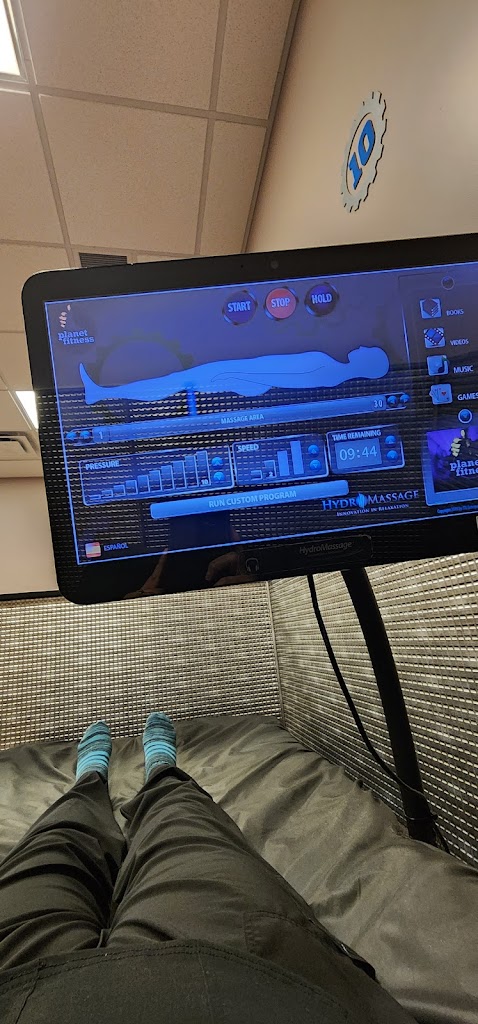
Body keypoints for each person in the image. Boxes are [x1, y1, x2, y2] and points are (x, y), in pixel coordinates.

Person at [0, 714, 415, 1023]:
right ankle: (161, 773)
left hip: (15, 984)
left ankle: (90, 781)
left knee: (57, 841)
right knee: (184, 823)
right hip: (243, 976)